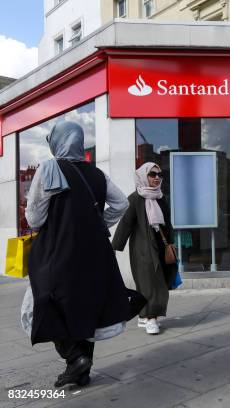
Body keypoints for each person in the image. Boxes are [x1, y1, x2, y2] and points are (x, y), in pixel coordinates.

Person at [25, 121, 143, 388]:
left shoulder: (49, 168)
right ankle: (82, 372)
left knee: (47, 301)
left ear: (57, 141)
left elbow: (34, 218)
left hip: (59, 250)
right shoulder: (97, 174)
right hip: (95, 253)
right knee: (86, 306)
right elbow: (121, 203)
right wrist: (99, 222)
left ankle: (74, 356)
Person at [112, 162, 177, 335]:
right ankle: (151, 319)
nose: (157, 178)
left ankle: (144, 315)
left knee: (158, 281)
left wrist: (171, 242)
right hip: (142, 249)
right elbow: (125, 223)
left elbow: (167, 222)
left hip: (161, 247)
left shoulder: (161, 197)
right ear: (143, 176)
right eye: (152, 174)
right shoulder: (135, 198)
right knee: (150, 284)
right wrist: (115, 246)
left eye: (159, 175)